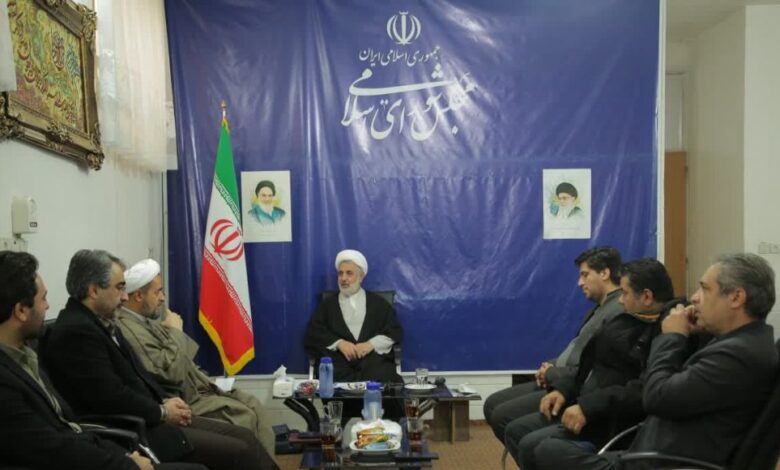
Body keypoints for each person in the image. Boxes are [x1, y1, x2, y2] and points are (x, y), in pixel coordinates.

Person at [533, 253, 779, 470]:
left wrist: (671, 336)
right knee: (550, 448)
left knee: (548, 451)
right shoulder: (740, 342)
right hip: (652, 451)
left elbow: (656, 395)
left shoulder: (737, 355)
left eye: (704, 289)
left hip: (663, 462)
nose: (694, 298)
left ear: (736, 297)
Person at [42, 249, 280, 470]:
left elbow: (138, 376)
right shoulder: (77, 332)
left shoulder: (100, 323)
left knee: (245, 438)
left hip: (154, 415)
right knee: (239, 451)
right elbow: (111, 396)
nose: (124, 297)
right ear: (94, 291)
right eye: (119, 288)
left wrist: (165, 401)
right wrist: (162, 411)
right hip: (139, 429)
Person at [0, 251, 206, 470]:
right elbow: (51, 447)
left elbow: (69, 427)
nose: (48, 307)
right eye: (43, 299)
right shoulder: (71, 334)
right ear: (21, 310)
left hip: (101, 444)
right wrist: (127, 463)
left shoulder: (25, 356)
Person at [506, 258, 676, 470]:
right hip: (584, 401)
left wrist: (587, 407)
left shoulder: (664, 333)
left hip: (608, 418)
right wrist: (564, 389)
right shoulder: (631, 319)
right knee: (518, 432)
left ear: (647, 297)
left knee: (534, 446)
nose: (621, 300)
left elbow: (640, 390)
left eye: (624, 293)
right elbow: (590, 365)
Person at [115, 258, 275, 459]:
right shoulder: (129, 329)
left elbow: (182, 360)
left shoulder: (144, 322)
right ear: (139, 295)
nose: (163, 298)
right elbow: (170, 373)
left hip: (198, 387)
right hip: (185, 398)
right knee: (245, 417)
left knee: (254, 405)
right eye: (158, 292)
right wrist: (175, 331)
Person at [483, 247, 623, 443]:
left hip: (573, 388)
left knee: (503, 417)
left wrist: (551, 373)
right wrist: (551, 365)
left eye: (585, 275)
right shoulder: (600, 308)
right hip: (559, 377)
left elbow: (592, 369)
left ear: (604, 273)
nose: (580, 283)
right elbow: (576, 349)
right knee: (492, 404)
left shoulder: (617, 311)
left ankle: (539, 455)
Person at [304, 249, 403, 383]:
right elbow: (314, 334)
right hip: (339, 367)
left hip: (372, 366)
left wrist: (370, 344)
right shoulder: (327, 306)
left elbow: (394, 332)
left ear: (361, 277)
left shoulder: (379, 305)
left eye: (349, 273)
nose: (343, 278)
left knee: (383, 374)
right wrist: (339, 343)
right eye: (340, 273)